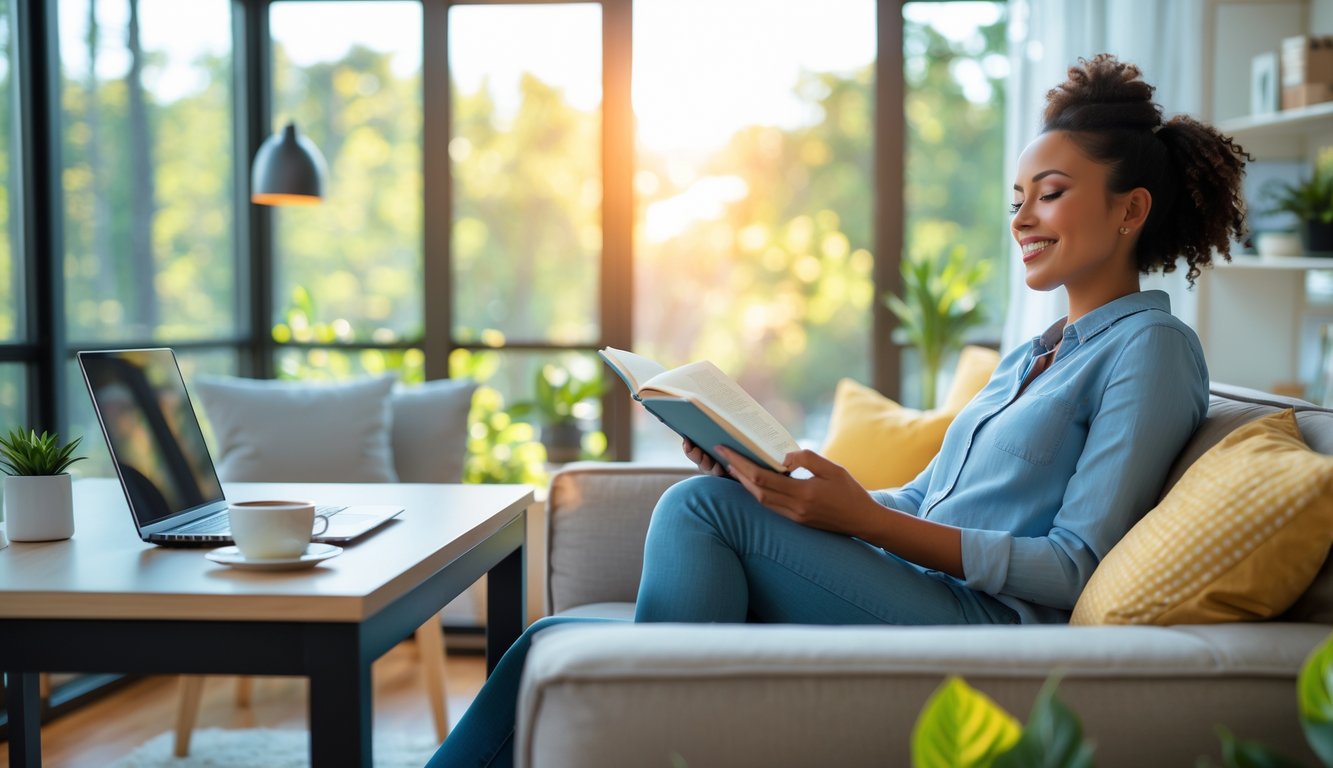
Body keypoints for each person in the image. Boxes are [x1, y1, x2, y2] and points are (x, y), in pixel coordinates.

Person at [426, 53, 1249, 768]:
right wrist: (789, 485)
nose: (1021, 218)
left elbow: (1072, 567)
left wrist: (861, 521)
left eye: (1051, 193)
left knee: (700, 510)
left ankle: (645, 724)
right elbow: (923, 503)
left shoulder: (1150, 351)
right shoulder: (1032, 355)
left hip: (988, 626)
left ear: (1130, 209)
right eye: (1016, 197)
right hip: (915, 586)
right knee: (546, 641)